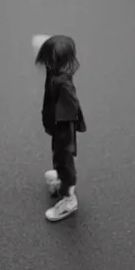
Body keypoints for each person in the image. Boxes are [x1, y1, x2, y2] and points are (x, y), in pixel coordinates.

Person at [36, 35, 87, 222]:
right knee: (58, 159)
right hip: (57, 127)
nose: (46, 63)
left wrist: (65, 142)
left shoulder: (63, 84)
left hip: (63, 130)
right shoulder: (54, 74)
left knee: (64, 161)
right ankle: (61, 179)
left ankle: (69, 198)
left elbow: (68, 114)